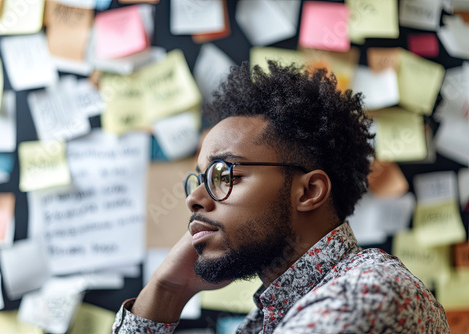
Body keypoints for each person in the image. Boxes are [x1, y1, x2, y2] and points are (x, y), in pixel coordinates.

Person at [112, 61, 449, 333]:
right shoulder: (277, 312)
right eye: (199, 179)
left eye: (224, 174)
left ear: (309, 191)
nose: (195, 199)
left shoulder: (364, 296)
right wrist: (166, 292)